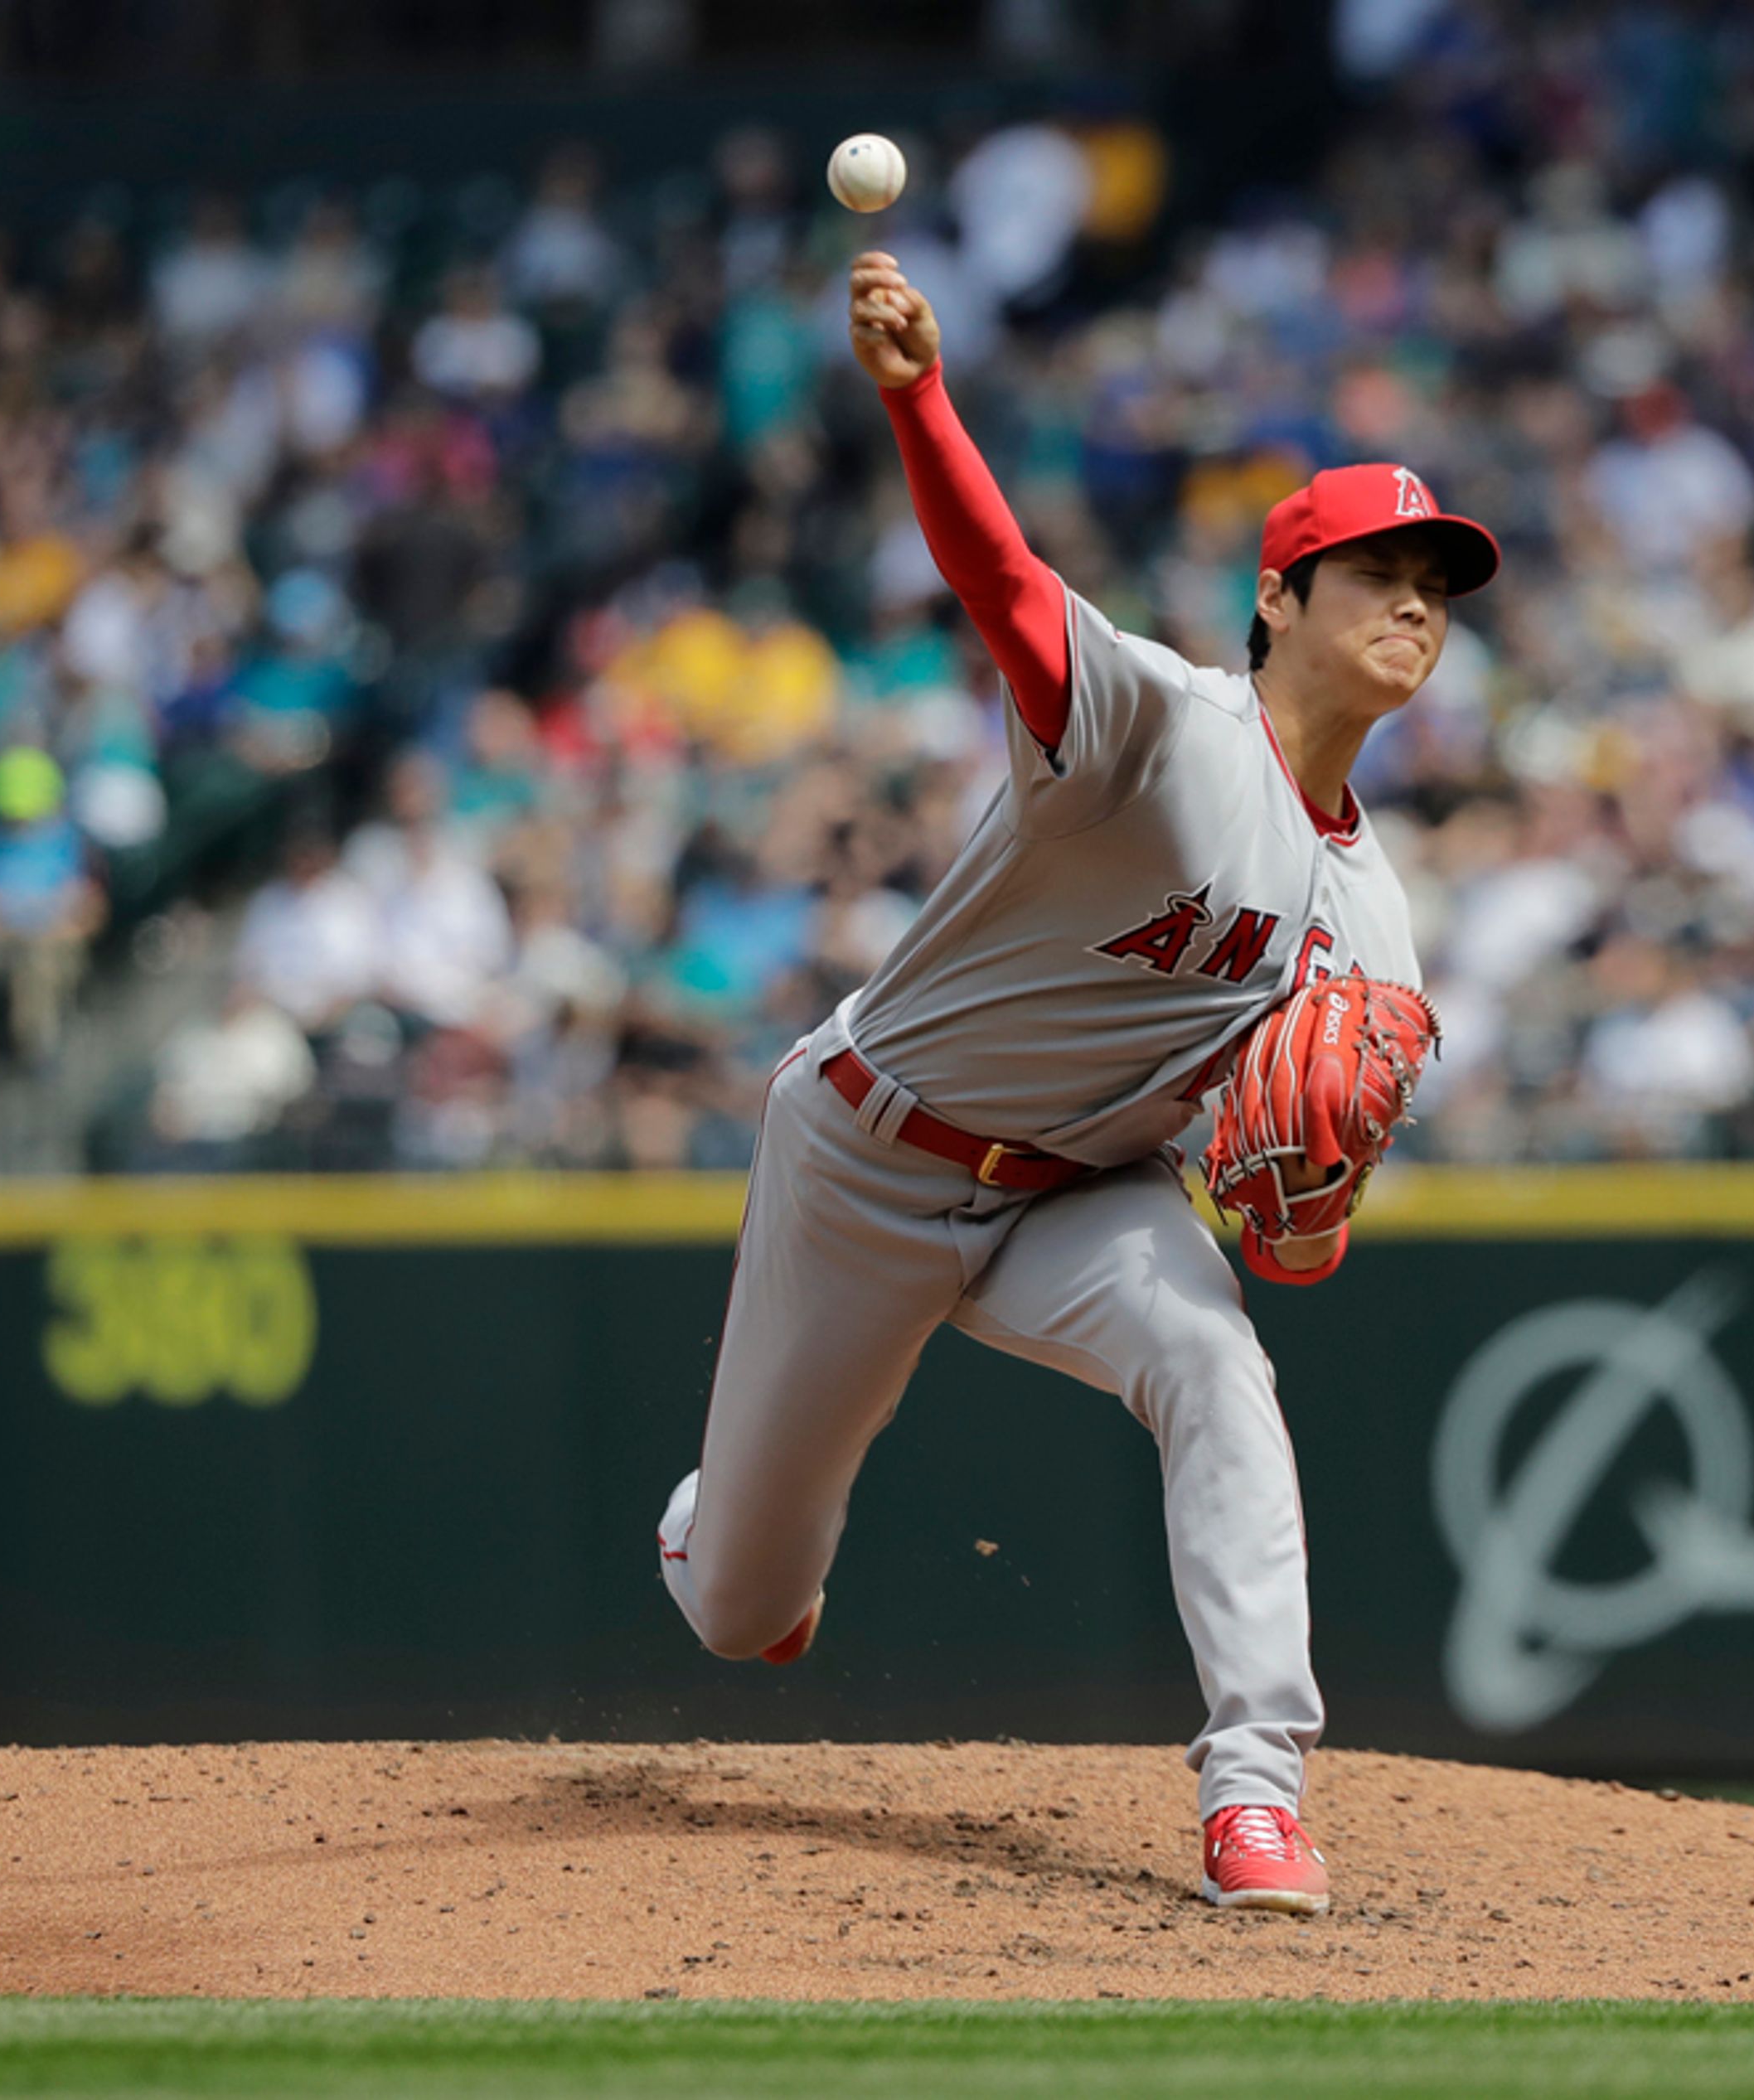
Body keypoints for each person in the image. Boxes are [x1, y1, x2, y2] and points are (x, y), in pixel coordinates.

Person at [654, 250, 1498, 1916]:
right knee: (743, 1613)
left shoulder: (1375, 909)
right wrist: (919, 401)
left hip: (1083, 1196)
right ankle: (716, 1524)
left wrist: (1308, 1207)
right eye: (1372, 571)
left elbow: (1306, 1191)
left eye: (1436, 584)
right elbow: (1007, 585)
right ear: (1279, 598)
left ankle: (1256, 1787)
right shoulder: (1167, 732)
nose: (1414, 602)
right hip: (870, 1156)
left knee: (1216, 1362)